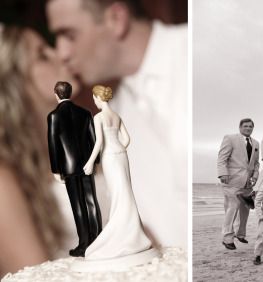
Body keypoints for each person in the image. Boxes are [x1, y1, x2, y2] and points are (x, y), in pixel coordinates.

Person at [46, 0, 188, 248]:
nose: (62, 53)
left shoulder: (191, 50)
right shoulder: (116, 114)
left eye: (69, 35)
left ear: (116, 20)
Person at [0, 25, 69, 275]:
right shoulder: (4, 175)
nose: (60, 54)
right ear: (15, 82)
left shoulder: (75, 144)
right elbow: (34, 276)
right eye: (42, 54)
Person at [81, 85, 153, 260]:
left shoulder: (98, 117)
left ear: (98, 98)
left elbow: (98, 143)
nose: (94, 101)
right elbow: (127, 139)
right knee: (126, 192)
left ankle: (121, 232)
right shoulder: (117, 116)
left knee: (117, 194)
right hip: (122, 155)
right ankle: (132, 232)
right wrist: (120, 148)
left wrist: (90, 163)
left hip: (110, 157)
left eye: (94, 98)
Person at [47, 81, 102, 257]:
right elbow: (93, 139)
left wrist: (56, 170)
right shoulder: (85, 113)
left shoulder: (54, 116)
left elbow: (53, 145)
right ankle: (99, 241)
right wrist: (96, 161)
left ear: (56, 94)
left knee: (78, 205)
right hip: (87, 164)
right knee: (92, 201)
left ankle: (85, 244)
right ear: (70, 93)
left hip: (68, 168)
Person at [217, 118, 259, 250]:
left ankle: (240, 234)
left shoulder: (256, 143)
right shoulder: (230, 138)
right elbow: (222, 158)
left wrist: (255, 175)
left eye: (250, 126)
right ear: (240, 127)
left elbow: (256, 163)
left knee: (245, 208)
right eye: (245, 126)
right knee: (232, 207)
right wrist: (222, 173)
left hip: (248, 182)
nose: (248, 128)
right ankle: (227, 237)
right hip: (231, 180)